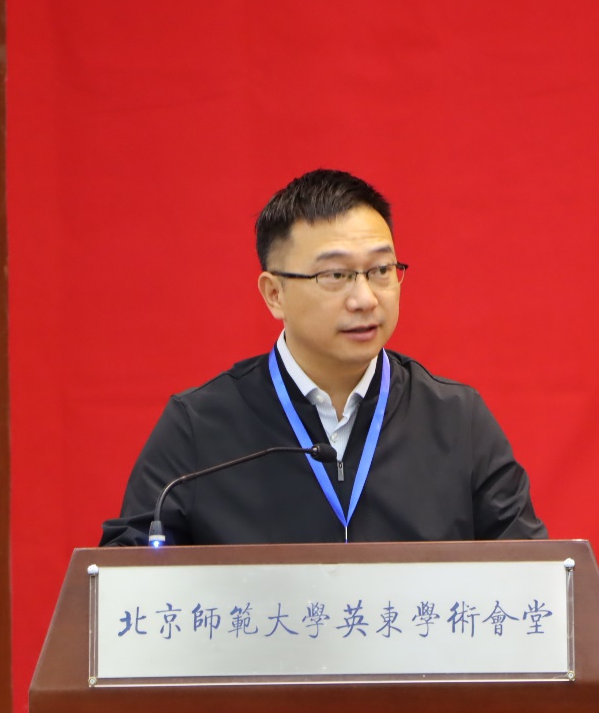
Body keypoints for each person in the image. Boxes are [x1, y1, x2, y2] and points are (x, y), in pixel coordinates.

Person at [100, 169, 546, 546]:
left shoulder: (456, 419)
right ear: (274, 294)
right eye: (335, 275)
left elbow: (533, 578)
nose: (365, 299)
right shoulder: (199, 426)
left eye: (381, 270)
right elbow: (125, 584)